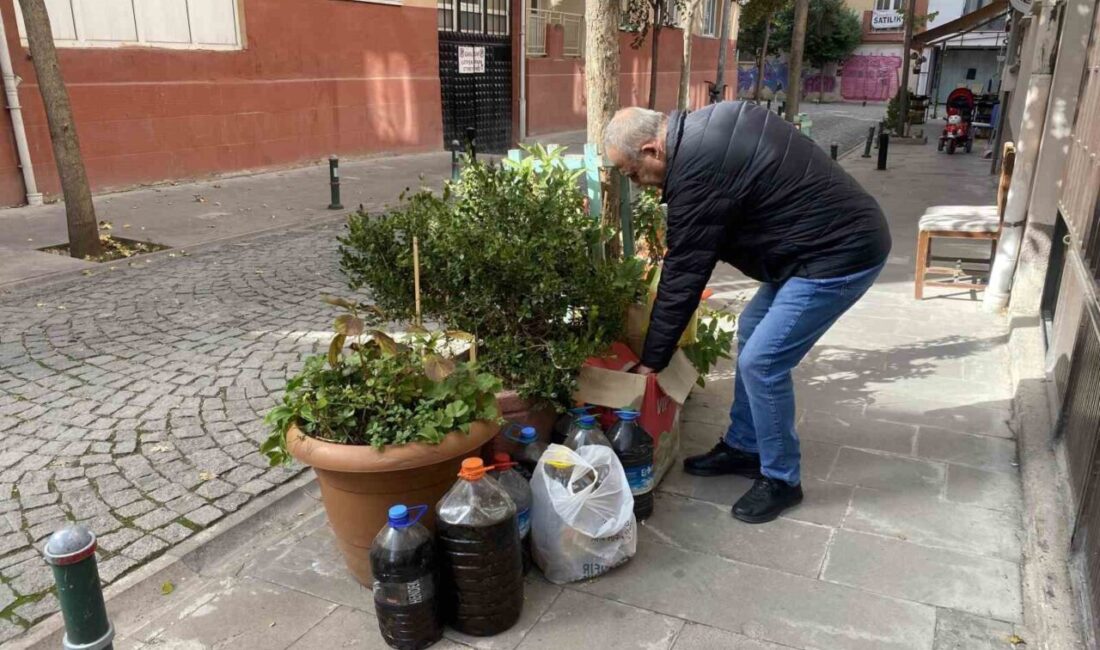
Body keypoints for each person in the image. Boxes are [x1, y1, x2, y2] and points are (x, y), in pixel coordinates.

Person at [604, 102, 891, 523]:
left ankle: (782, 479)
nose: (637, 185)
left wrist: (653, 360)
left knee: (763, 361)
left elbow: (685, 273)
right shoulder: (710, 124)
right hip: (808, 247)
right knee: (752, 326)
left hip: (840, 254)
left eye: (632, 173)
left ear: (652, 150)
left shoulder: (698, 171)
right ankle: (744, 446)